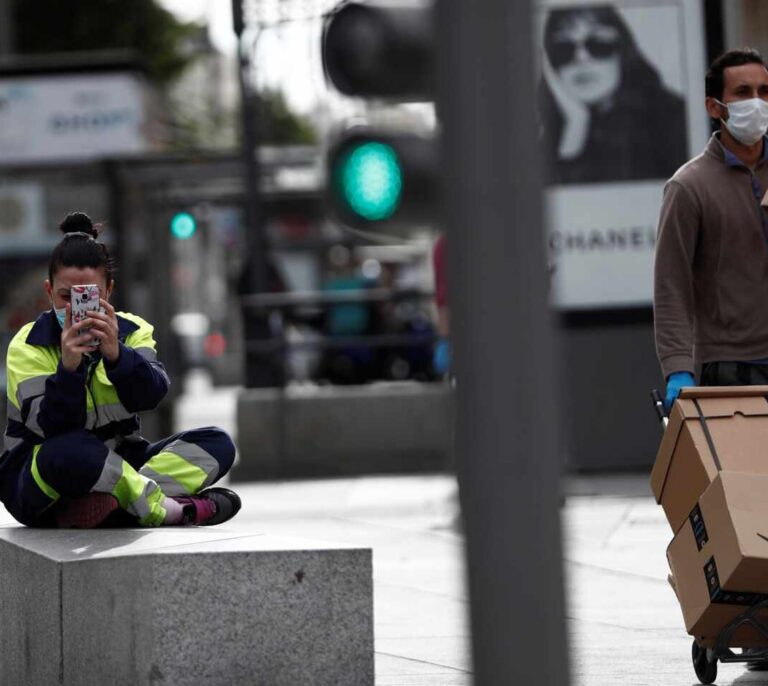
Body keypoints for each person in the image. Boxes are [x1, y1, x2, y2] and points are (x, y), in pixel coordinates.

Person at [0, 212, 241, 528]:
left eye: (89, 297)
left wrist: (117, 355)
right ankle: (170, 510)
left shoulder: (133, 330)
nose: (76, 309)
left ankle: (116, 505)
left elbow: (151, 395)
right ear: (49, 291)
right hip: (44, 480)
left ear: (109, 290)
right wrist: (68, 369)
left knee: (216, 442)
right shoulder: (28, 344)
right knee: (68, 450)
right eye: (65, 297)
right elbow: (52, 430)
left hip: (119, 463)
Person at [655, 49, 768, 411]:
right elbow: (671, 283)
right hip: (734, 370)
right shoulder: (689, 187)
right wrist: (677, 367)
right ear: (714, 106)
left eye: (765, 91)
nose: (757, 102)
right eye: (743, 92)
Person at [539, 4, 687, 185]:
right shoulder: (541, 132)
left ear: (623, 52)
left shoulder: (672, 119)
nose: (581, 58)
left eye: (598, 44)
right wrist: (575, 125)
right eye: (564, 49)